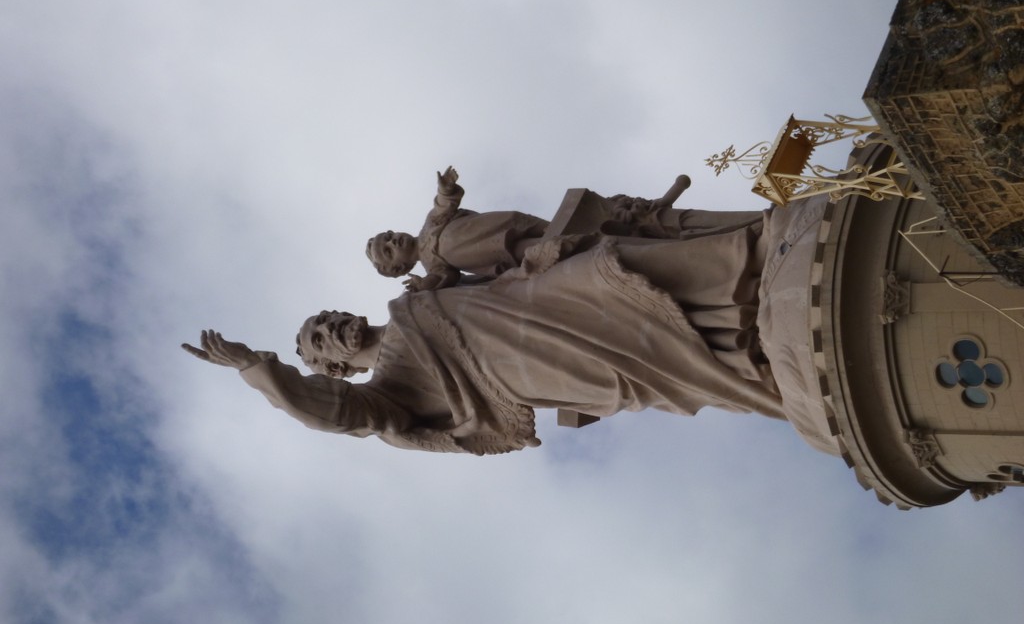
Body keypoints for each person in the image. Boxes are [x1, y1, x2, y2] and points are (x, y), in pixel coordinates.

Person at [184, 225, 785, 456]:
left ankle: (755, 263)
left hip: (535, 299)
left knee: (614, 264)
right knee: (642, 370)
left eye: (323, 319)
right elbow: (334, 415)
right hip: (523, 365)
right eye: (320, 341)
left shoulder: (410, 302)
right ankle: (753, 370)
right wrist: (257, 368)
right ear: (334, 367)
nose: (329, 328)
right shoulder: (383, 394)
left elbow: (470, 255)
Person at [365, 166, 549, 291]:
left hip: (491, 225)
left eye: (389, 236)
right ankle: (548, 247)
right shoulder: (432, 264)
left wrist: (445, 190)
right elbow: (444, 277)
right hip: (489, 253)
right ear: (400, 268)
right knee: (522, 251)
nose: (393, 241)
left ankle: (551, 230)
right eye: (389, 251)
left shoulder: (430, 224)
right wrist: (423, 285)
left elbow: (443, 207)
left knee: (520, 223)